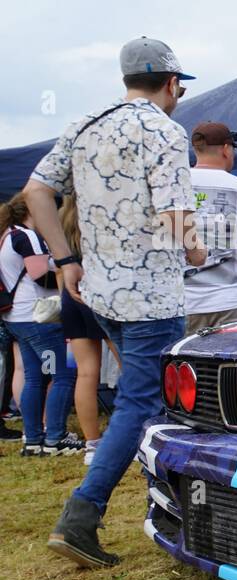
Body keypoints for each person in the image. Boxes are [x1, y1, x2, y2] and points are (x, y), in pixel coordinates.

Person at [24, 36, 205, 569]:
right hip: (151, 295)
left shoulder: (84, 123)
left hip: (100, 292)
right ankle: (82, 512)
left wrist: (64, 259)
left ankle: (170, 500)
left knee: (144, 400)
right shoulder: (165, 131)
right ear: (173, 84)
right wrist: (196, 248)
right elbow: (176, 219)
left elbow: (37, 192)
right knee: (143, 403)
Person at [0, 194, 79, 456]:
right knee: (64, 374)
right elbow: (39, 276)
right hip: (40, 318)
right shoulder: (28, 236)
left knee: (35, 377)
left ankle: (32, 439)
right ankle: (55, 438)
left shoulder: (9, 235)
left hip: (19, 319)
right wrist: (67, 272)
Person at [186, 121, 237, 333]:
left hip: (182, 303)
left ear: (196, 149)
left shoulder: (175, 182)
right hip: (231, 301)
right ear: (225, 149)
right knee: (228, 365)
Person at [58, 194, 119, 465]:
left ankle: (92, 444)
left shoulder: (60, 223)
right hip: (101, 294)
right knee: (131, 368)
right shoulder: (97, 217)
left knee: (86, 374)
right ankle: (137, 434)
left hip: (70, 298)